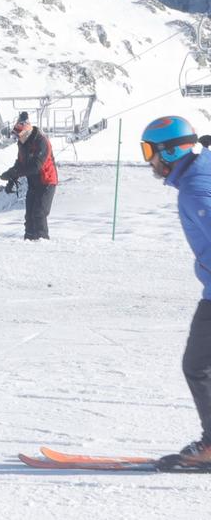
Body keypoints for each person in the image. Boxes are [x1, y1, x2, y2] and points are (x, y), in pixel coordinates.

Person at [143, 115, 211, 471]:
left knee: (198, 366)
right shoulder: (204, 168)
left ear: (170, 152)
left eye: (149, 151)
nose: (149, 161)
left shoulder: (196, 188)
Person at [2, 112, 59, 240]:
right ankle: (29, 241)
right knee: (29, 216)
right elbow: (20, 163)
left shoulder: (41, 141)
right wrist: (11, 177)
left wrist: (15, 173)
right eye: (16, 135)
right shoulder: (22, 144)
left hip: (47, 182)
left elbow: (35, 166)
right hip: (33, 183)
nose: (18, 138)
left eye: (19, 135)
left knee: (39, 213)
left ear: (26, 132)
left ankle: (42, 241)